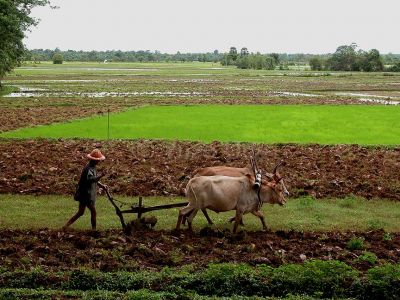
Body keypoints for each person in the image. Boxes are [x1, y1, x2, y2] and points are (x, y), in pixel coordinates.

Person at [63, 149, 107, 231]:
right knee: (93, 212)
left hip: (85, 194)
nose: (99, 162)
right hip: (86, 194)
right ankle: (94, 230)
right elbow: (90, 180)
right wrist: (101, 176)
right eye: (98, 160)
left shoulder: (92, 167)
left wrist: (102, 185)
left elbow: (94, 179)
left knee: (81, 212)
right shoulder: (88, 169)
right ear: (94, 160)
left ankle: (66, 226)